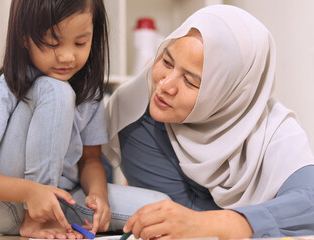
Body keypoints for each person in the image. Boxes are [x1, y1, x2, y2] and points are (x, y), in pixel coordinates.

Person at [0, 0, 169, 239]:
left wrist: (99, 196)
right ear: (24, 37)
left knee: (160, 208)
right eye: (52, 43)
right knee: (56, 91)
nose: (67, 56)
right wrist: (31, 193)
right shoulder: (2, 89)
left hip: (62, 200)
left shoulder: (90, 92)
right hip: (6, 203)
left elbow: (90, 159)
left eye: (80, 42)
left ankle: (48, 216)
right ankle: (37, 220)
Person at [103, 4, 314, 240]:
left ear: (231, 93)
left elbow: (311, 201)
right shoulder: (137, 119)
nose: (165, 86)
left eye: (191, 82)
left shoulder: (272, 128)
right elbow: (181, 218)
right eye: (166, 62)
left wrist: (228, 223)